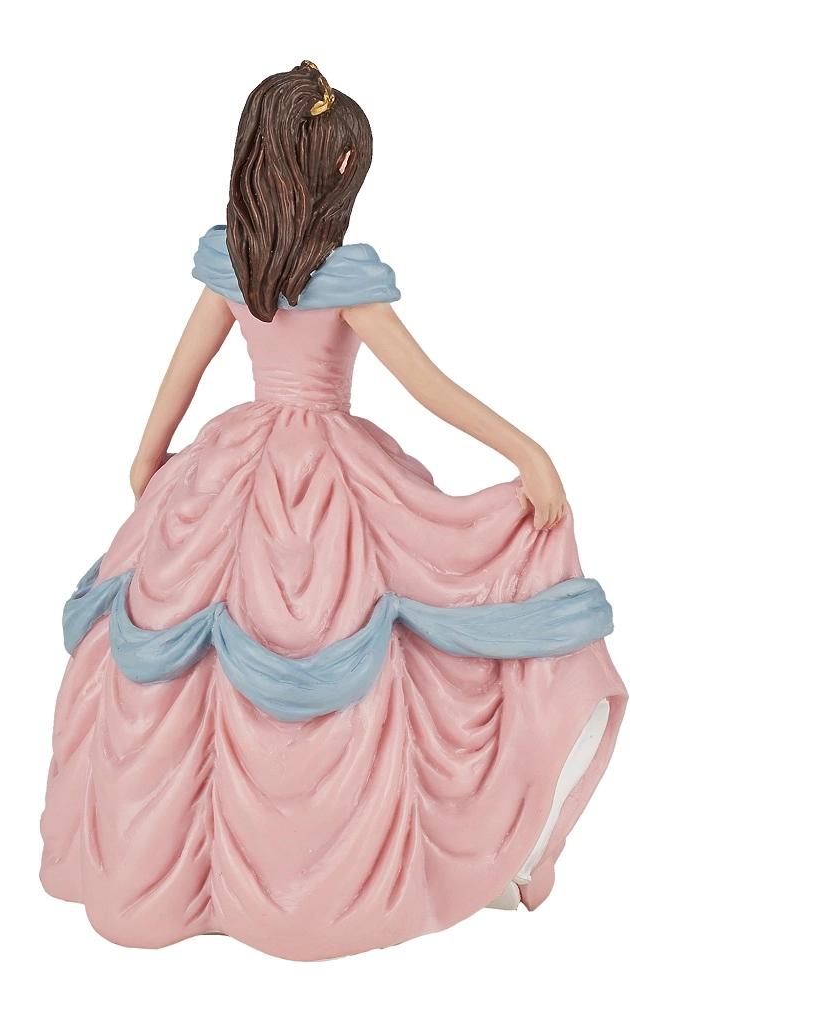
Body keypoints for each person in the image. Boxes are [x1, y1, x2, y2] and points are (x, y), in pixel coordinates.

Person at [40, 61, 627, 962]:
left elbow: (183, 371)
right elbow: (428, 386)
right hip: (324, 475)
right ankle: (357, 864)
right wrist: (526, 453)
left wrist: (150, 458)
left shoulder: (235, 265)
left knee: (195, 641)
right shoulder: (340, 279)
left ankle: (202, 872)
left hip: (233, 468)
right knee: (375, 627)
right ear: (336, 168)